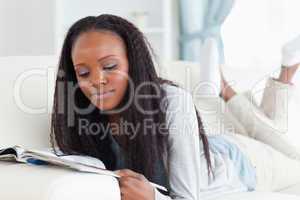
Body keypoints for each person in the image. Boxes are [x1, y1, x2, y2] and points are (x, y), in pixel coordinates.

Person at [50, 14, 300, 200]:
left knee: (294, 157)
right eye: (83, 72)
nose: (96, 80)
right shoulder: (83, 117)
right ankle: (267, 77)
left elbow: (186, 196)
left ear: (133, 63)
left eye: (110, 66)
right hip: (211, 145)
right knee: (271, 126)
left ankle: (244, 84)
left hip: (245, 162)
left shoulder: (171, 100)